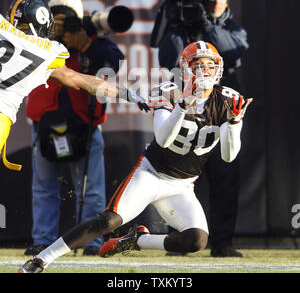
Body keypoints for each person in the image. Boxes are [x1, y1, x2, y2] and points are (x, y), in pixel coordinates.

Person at [18, 40, 252, 273]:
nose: (205, 71)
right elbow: (163, 139)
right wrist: (182, 106)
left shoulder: (228, 100)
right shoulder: (170, 91)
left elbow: (229, 156)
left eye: (210, 65)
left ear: (218, 68)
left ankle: (137, 240)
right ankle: (42, 259)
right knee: (108, 222)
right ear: (185, 68)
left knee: (196, 241)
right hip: (151, 173)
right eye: (198, 65)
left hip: (182, 185)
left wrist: (234, 123)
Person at [24, 0, 124, 256]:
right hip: (45, 120)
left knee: (91, 189)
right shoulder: (36, 36)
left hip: (86, 122)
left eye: (68, 19)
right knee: (44, 187)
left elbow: (114, 64)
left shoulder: (90, 36)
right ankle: (42, 241)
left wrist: (87, 45)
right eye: (56, 19)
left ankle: (91, 242)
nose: (63, 24)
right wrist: (50, 37)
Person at [0, 0, 149, 173]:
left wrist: (86, 44)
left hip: (78, 122)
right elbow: (80, 81)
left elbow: (109, 59)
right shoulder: (45, 54)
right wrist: (123, 92)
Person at [156, 0, 249, 257]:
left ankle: (222, 242)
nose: (216, 0)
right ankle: (178, 239)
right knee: (177, 176)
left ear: (227, 0)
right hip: (189, 108)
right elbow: (167, 58)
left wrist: (209, 25)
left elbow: (234, 50)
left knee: (224, 176)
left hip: (220, 107)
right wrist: (175, 25)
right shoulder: (182, 24)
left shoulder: (231, 26)